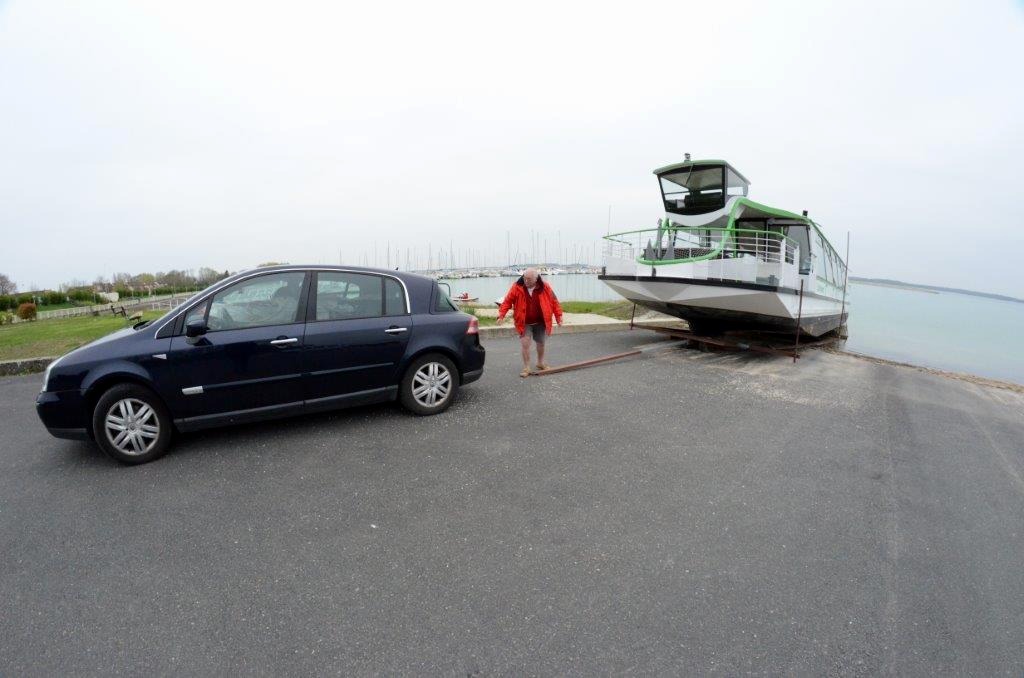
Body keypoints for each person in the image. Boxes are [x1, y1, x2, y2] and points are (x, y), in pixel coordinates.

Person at [496, 268, 564, 377]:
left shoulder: (545, 287)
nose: (526, 281)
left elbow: (554, 302)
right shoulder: (517, 287)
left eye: (529, 279)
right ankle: (527, 367)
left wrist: (559, 317)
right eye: (524, 278)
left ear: (536, 279)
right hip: (524, 321)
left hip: (541, 321)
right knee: (525, 343)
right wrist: (501, 315)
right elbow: (507, 301)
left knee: (541, 343)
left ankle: (540, 363)